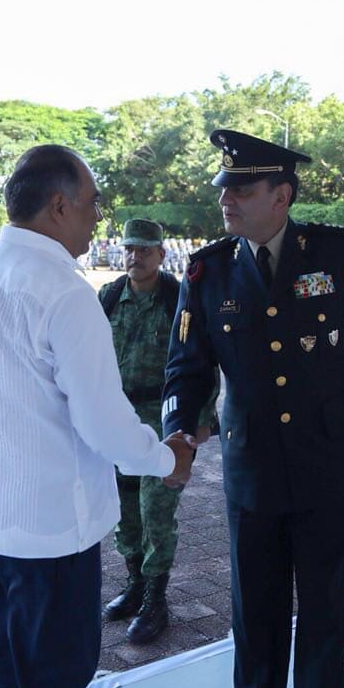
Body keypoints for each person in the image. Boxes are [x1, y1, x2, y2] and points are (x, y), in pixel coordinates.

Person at [162, 129, 344, 688]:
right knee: (255, 613)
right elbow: (186, 365)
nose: (227, 199)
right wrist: (179, 428)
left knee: (326, 610)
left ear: (282, 196)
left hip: (330, 459)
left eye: (243, 190)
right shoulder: (208, 271)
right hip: (252, 468)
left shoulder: (338, 254)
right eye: (226, 188)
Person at [0, 145, 196, 688]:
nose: (95, 219)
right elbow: (103, 423)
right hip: (54, 532)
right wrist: (166, 460)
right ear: (59, 206)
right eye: (91, 205)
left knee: (8, 674)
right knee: (57, 680)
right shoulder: (65, 293)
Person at [98, 218, 219, 645]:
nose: (136, 257)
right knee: (125, 512)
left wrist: (200, 421)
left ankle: (156, 600)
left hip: (164, 424)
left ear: (161, 255)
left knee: (156, 513)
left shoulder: (177, 299)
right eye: (130, 248)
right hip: (119, 422)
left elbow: (202, 362)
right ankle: (133, 586)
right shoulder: (109, 297)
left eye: (145, 250)